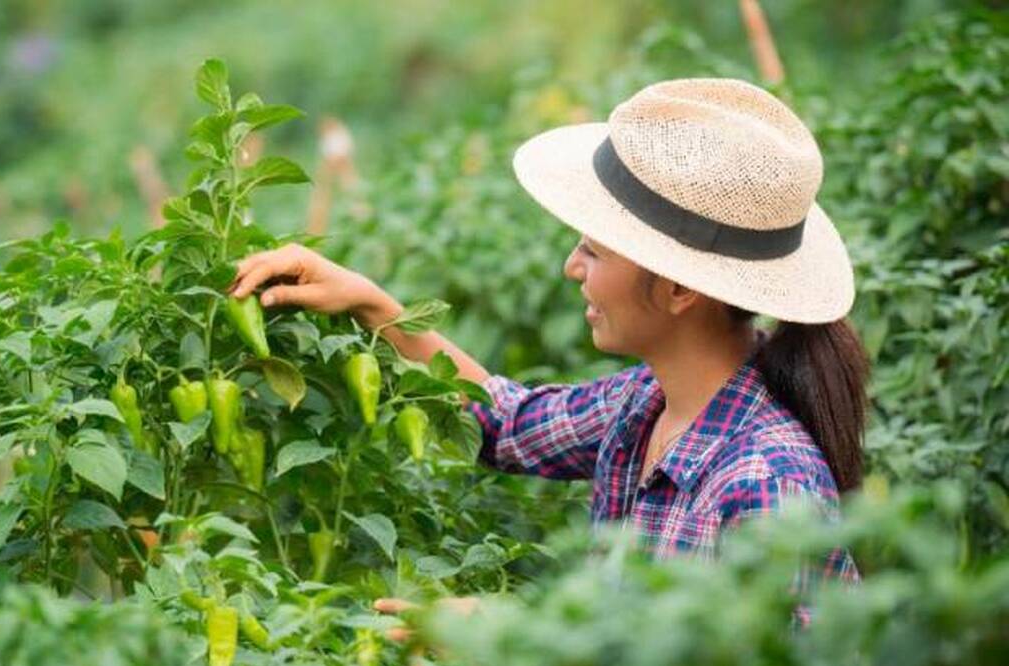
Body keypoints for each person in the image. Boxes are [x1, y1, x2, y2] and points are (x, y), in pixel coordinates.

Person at [228, 79, 867, 621]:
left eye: (594, 250)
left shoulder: (769, 486)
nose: (571, 267)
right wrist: (372, 305)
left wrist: (512, 639)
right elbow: (503, 422)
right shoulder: (646, 404)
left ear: (676, 289)